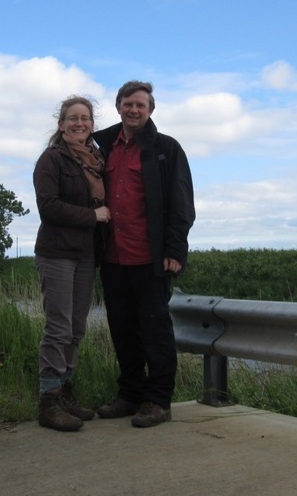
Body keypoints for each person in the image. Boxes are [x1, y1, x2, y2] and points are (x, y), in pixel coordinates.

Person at [93, 80, 195, 428]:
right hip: (112, 257)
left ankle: (158, 401)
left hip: (150, 259)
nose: (133, 110)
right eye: (127, 104)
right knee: (122, 330)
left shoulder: (166, 148)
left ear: (150, 110)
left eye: (140, 105)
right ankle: (130, 394)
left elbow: (182, 203)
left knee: (155, 332)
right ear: (118, 105)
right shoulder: (103, 145)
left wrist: (175, 249)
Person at [33, 95, 112, 432]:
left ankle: (65, 393)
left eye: (85, 118)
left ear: (92, 125)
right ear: (61, 124)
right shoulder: (51, 160)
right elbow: (48, 207)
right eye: (73, 118)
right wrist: (92, 215)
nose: (80, 123)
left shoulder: (96, 161)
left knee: (76, 329)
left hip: (84, 255)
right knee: (59, 328)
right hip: (56, 253)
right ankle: (49, 401)